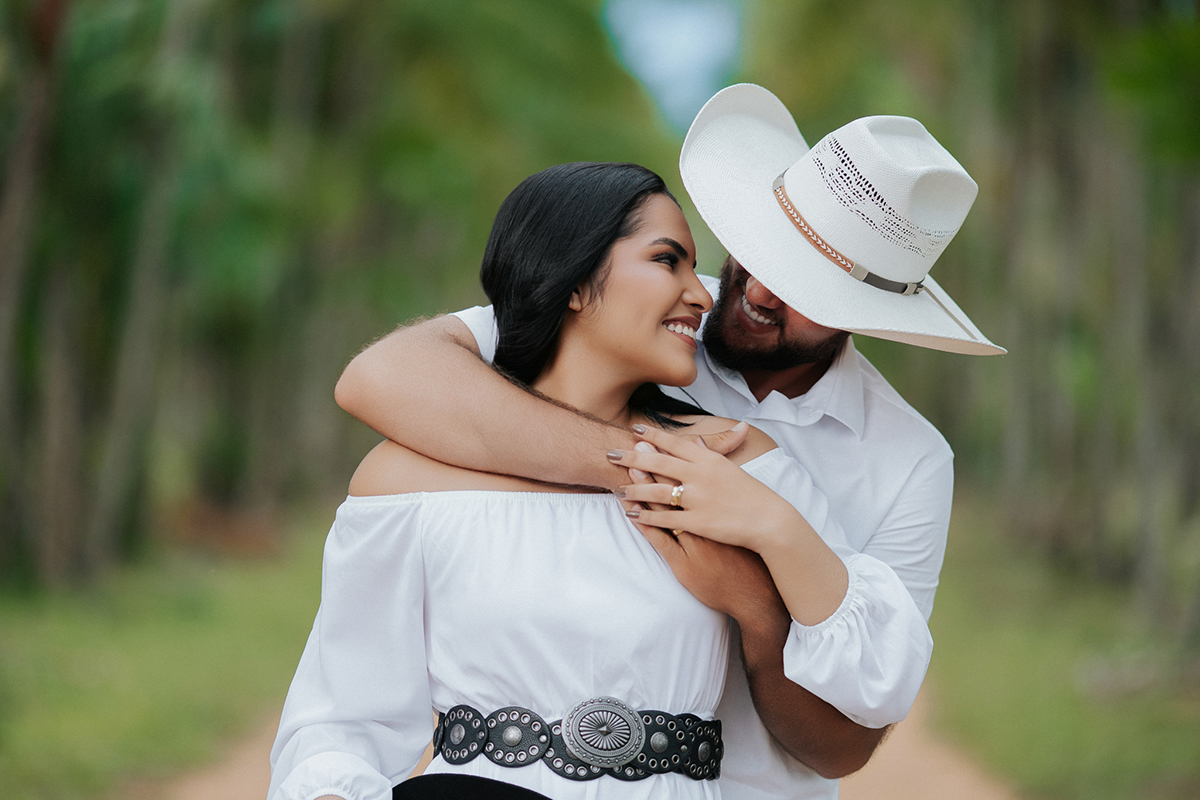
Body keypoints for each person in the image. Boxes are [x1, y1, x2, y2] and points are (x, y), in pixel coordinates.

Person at [333, 85, 1006, 800]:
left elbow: (848, 739)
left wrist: (757, 585)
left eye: (810, 287)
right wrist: (648, 468)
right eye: (763, 251)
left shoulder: (906, 460)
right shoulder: (642, 310)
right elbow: (384, 377)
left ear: (865, 314)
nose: (756, 292)